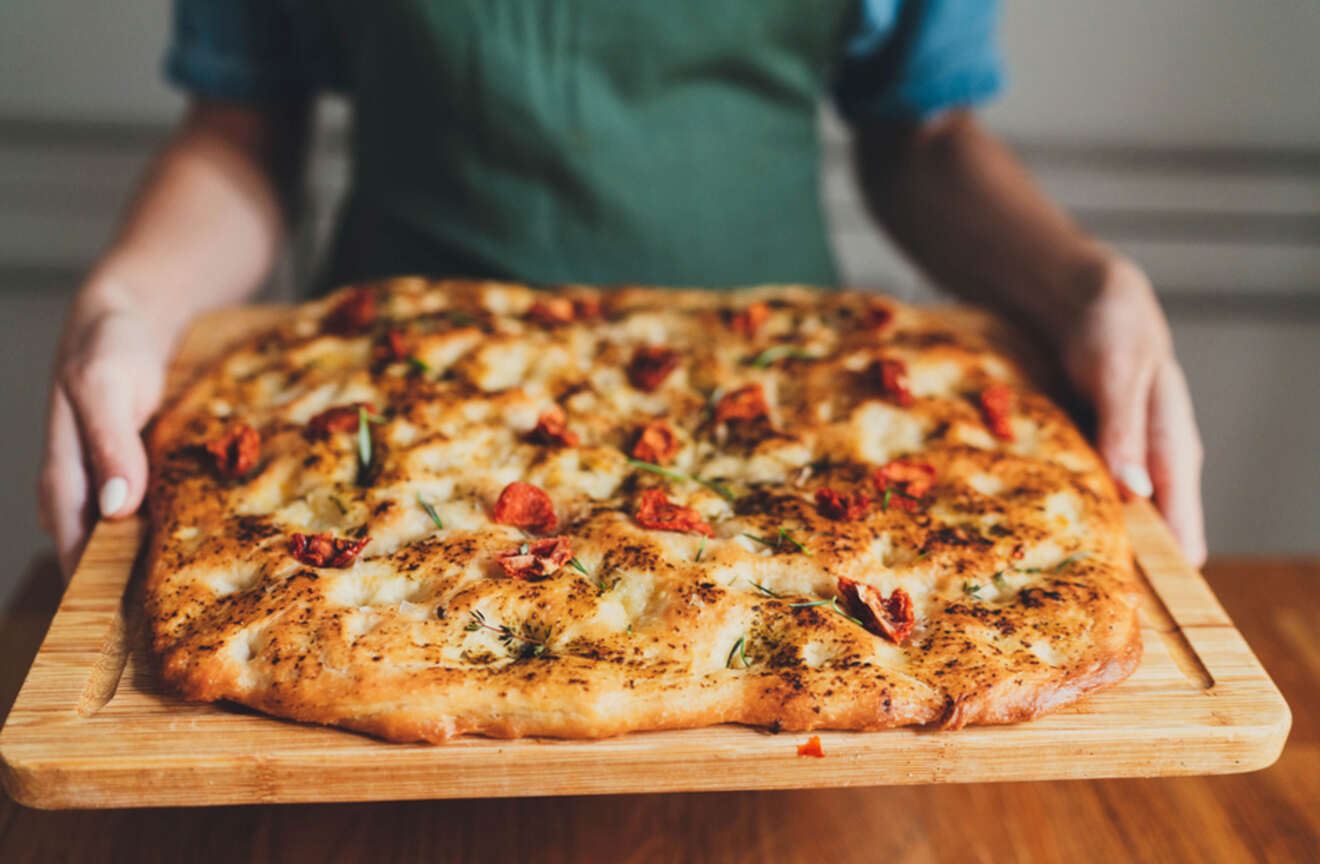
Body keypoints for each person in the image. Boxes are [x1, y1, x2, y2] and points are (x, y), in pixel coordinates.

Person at [38, 0, 1205, 577]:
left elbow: (927, 133)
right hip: (379, 455)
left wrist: (1086, 283)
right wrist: (127, 305)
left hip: (804, 454)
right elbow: (242, 133)